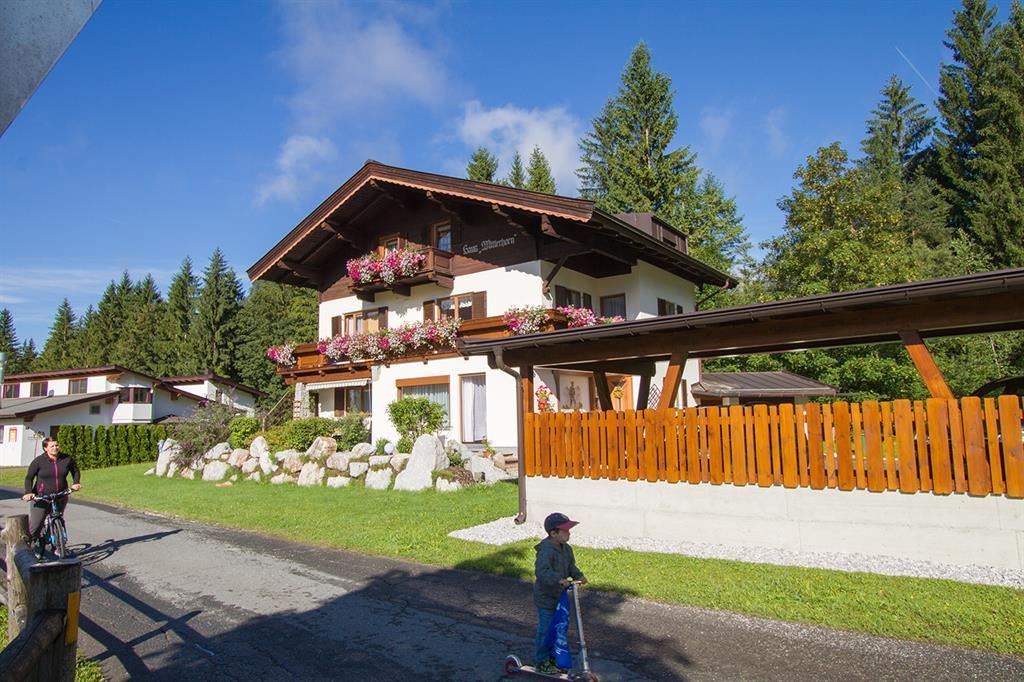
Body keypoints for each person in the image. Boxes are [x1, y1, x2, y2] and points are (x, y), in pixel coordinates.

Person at [534, 512, 587, 674]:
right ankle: (541, 661)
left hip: (560, 597)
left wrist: (578, 575)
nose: (569, 532)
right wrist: (558, 580)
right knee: (545, 630)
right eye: (565, 530)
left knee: (559, 629)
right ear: (553, 533)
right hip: (546, 598)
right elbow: (542, 572)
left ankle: (554, 658)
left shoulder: (567, 549)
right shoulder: (546, 550)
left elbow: (571, 566)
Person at [22, 437, 81, 542]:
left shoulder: (66, 459)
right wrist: (28, 492)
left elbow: (75, 471)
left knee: (58, 518)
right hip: (42, 497)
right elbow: (29, 477)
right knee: (35, 526)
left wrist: (76, 483)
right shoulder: (39, 461)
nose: (55, 448)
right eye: (52, 446)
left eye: (56, 445)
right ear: (45, 448)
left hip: (60, 496)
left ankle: (57, 544)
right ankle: (29, 547)